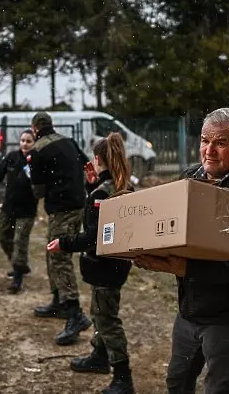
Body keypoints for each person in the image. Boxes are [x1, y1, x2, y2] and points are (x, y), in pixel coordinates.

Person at [134, 108, 229, 394]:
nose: (209, 151)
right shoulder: (190, 178)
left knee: (220, 388)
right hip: (191, 309)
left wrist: (177, 267)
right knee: (177, 381)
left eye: (221, 143)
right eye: (204, 140)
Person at [47, 133, 136, 394]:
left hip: (105, 267)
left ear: (98, 159)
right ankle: (99, 357)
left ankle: (123, 377)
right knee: (100, 312)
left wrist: (64, 242)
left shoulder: (103, 193)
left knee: (107, 320)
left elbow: (94, 236)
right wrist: (91, 187)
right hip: (116, 265)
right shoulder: (122, 186)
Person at [28, 111, 92, 345]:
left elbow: (38, 190)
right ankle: (58, 301)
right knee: (51, 251)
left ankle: (75, 314)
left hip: (60, 209)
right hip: (79, 204)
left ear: (34, 128)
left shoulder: (37, 150)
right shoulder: (69, 141)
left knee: (59, 257)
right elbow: (88, 166)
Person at [0, 130, 37, 293]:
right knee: (3, 238)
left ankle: (18, 277)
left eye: (29, 141)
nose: (25, 144)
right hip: (8, 208)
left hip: (27, 211)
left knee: (19, 242)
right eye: (22, 140)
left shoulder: (37, 161)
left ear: (34, 143)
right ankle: (19, 264)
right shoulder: (11, 157)